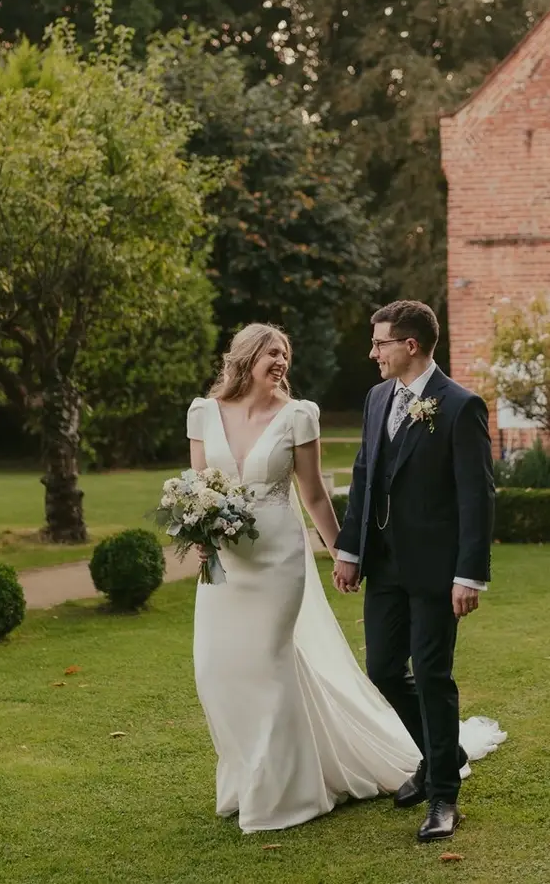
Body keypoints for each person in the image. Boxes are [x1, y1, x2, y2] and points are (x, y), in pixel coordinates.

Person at [187, 324, 417, 833]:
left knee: (269, 666)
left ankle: (287, 793)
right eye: (273, 352)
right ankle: (246, 776)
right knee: (214, 669)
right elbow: (197, 488)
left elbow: (313, 495)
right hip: (224, 566)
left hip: (278, 562)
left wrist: (344, 553)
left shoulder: (298, 416)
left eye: (286, 354)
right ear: (246, 356)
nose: (282, 361)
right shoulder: (203, 413)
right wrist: (197, 530)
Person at [333, 299, 501, 843]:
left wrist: (469, 574)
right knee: (383, 669)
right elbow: (364, 474)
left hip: (436, 571)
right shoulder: (378, 398)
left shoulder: (459, 406)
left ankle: (442, 797)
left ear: (410, 346)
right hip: (383, 566)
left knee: (431, 675)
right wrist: (349, 549)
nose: (372, 352)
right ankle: (443, 754)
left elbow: (477, 498)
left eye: (380, 342)